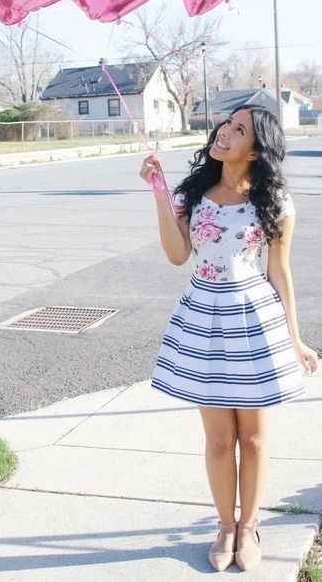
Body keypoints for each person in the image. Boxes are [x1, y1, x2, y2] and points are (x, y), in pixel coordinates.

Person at [140, 105, 318, 572]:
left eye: (239, 130)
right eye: (227, 123)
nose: (224, 131)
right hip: (203, 317)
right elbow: (178, 255)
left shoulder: (275, 201)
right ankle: (224, 525)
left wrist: (296, 341)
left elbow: (280, 272)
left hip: (253, 320)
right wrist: (159, 192)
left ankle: (250, 525)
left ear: (255, 151)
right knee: (219, 440)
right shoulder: (196, 193)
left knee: (254, 439)